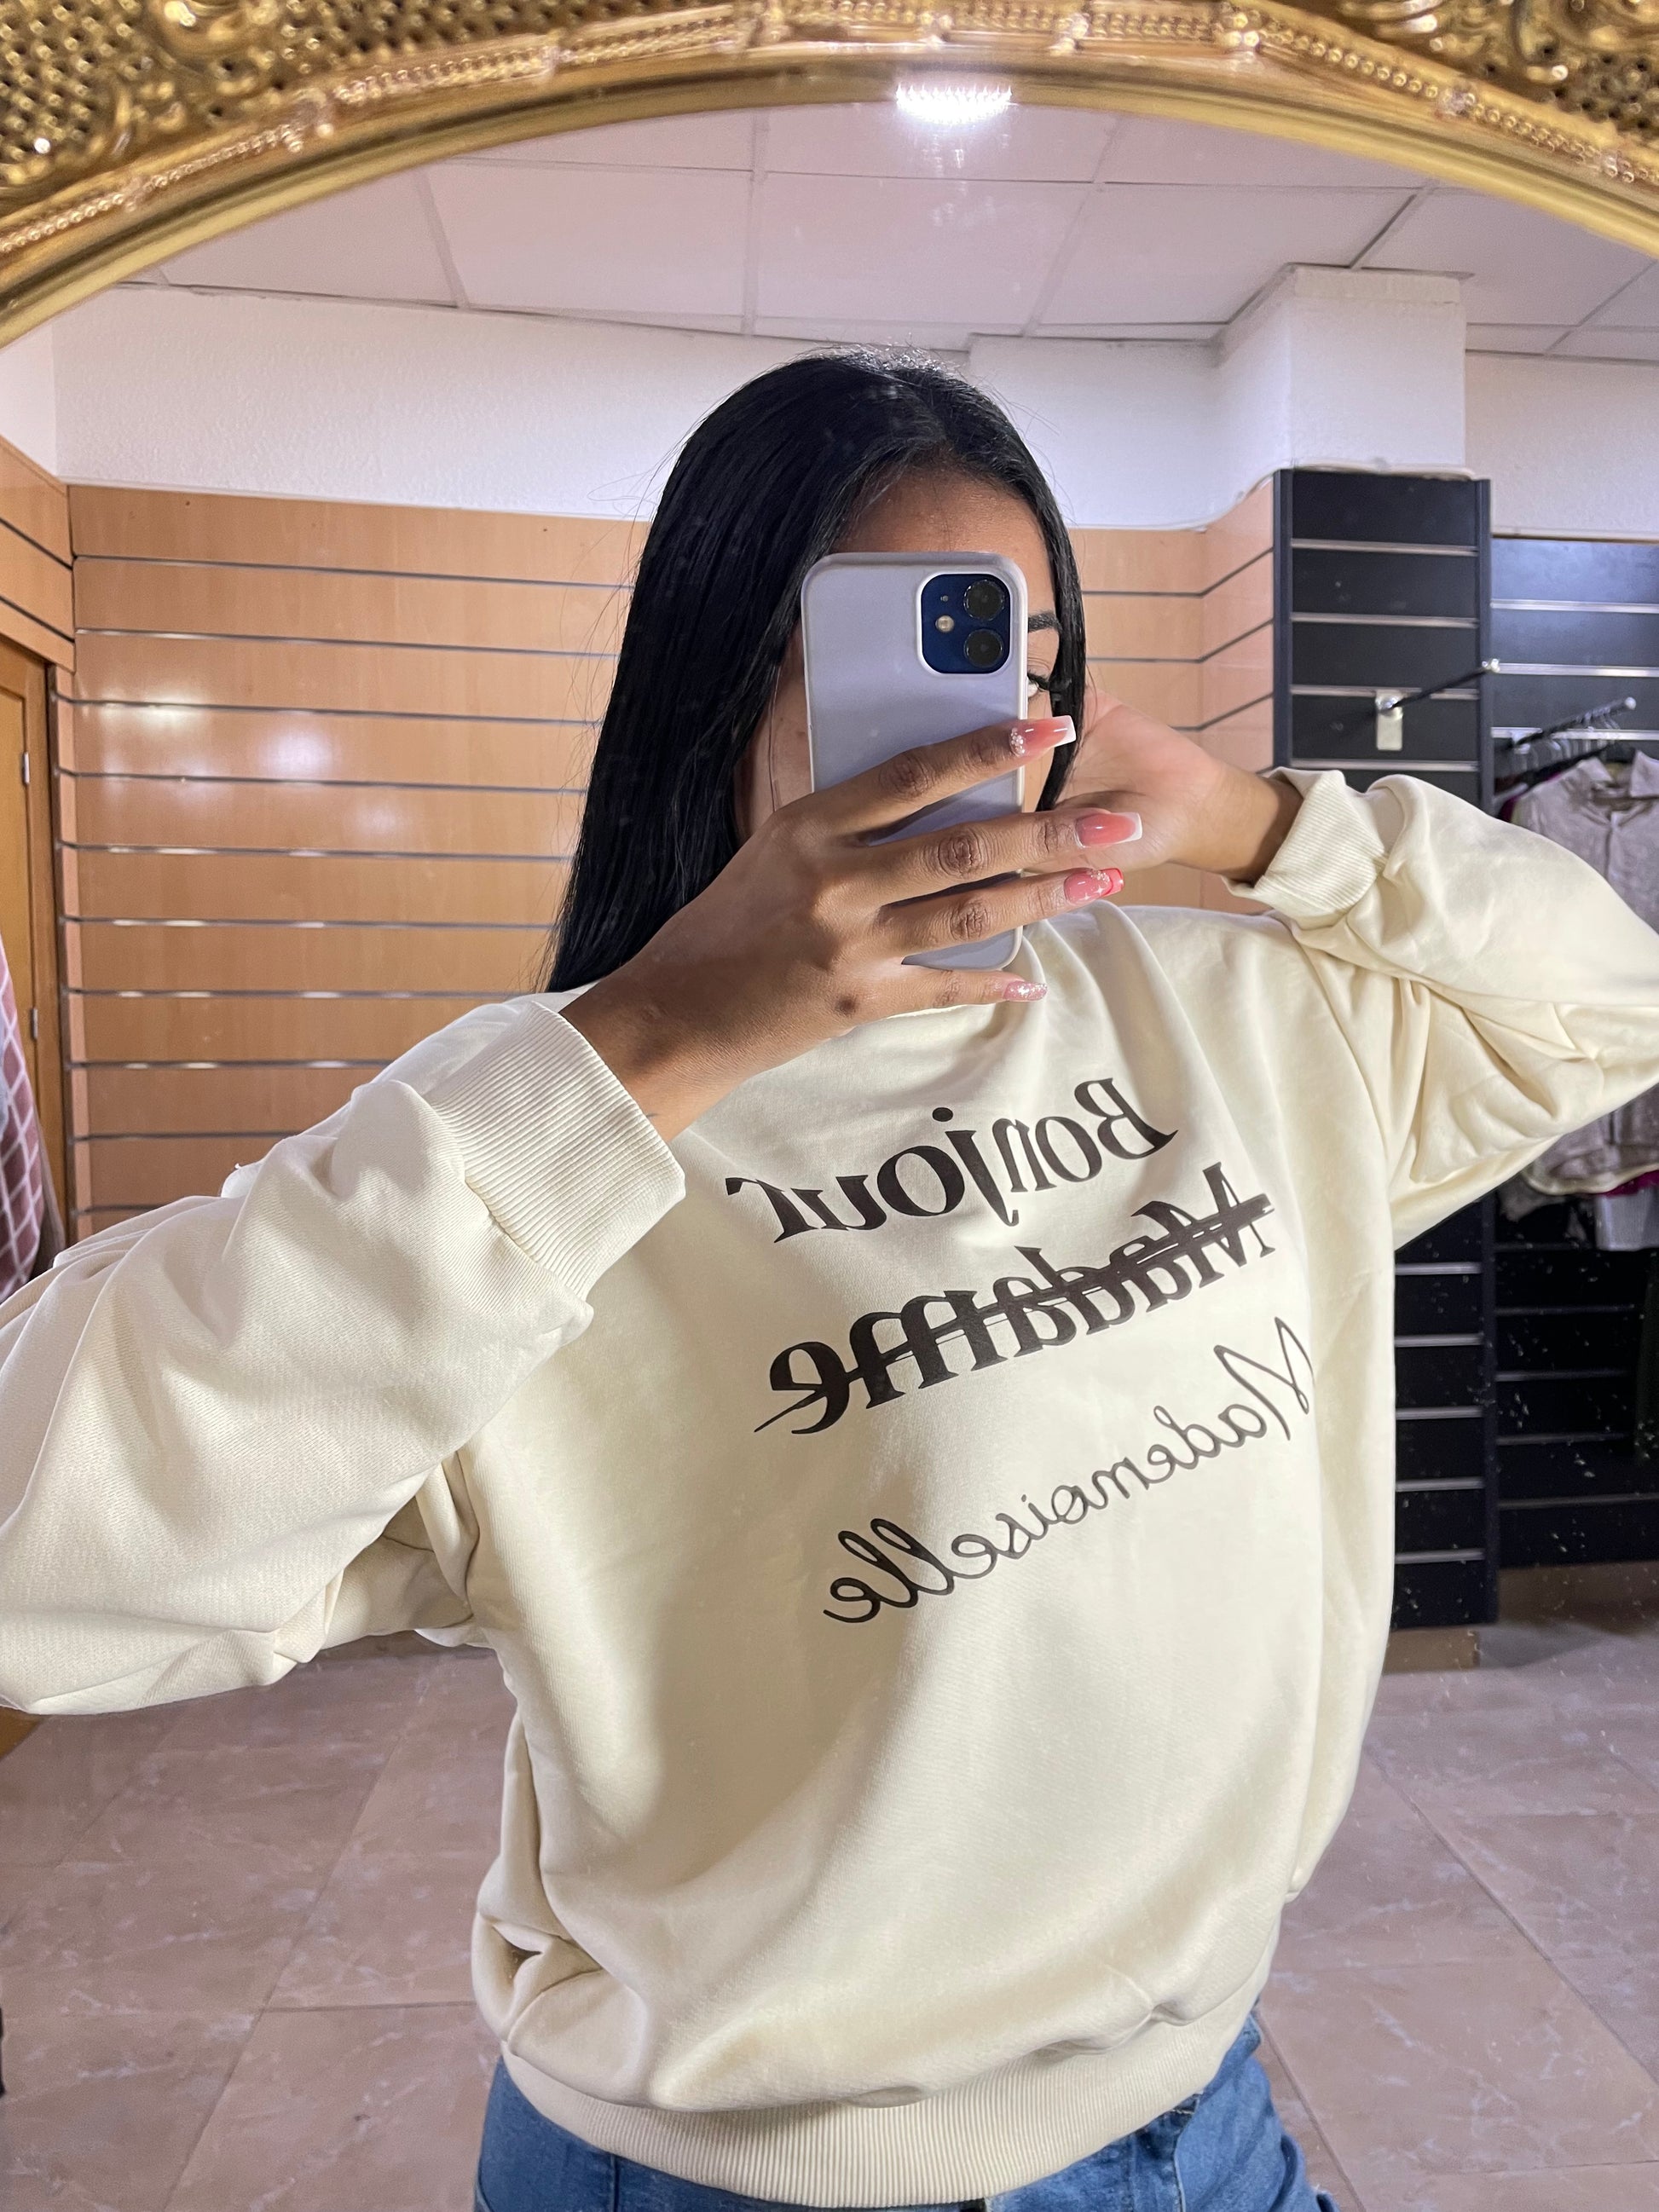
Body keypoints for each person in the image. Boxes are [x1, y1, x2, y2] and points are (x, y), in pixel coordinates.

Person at [3, 355, 1659, 2212]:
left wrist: (1257, 823)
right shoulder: (550, 1135)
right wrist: (648, 1041)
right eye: (904, 651)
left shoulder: (1226, 1017)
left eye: (1022, 657)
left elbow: (1610, 1005)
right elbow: (38, 1564)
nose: (977, 720)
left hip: (1199, 2113)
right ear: (722, 678)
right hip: (742, 2172)